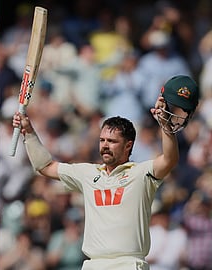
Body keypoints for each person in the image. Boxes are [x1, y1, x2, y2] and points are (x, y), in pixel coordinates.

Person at [12, 75, 199, 269]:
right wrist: (30, 133)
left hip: (128, 263)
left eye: (112, 142)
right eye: (102, 141)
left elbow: (170, 159)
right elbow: (45, 167)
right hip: (94, 264)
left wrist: (164, 124)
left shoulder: (142, 174)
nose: (105, 146)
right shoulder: (87, 173)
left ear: (128, 145)